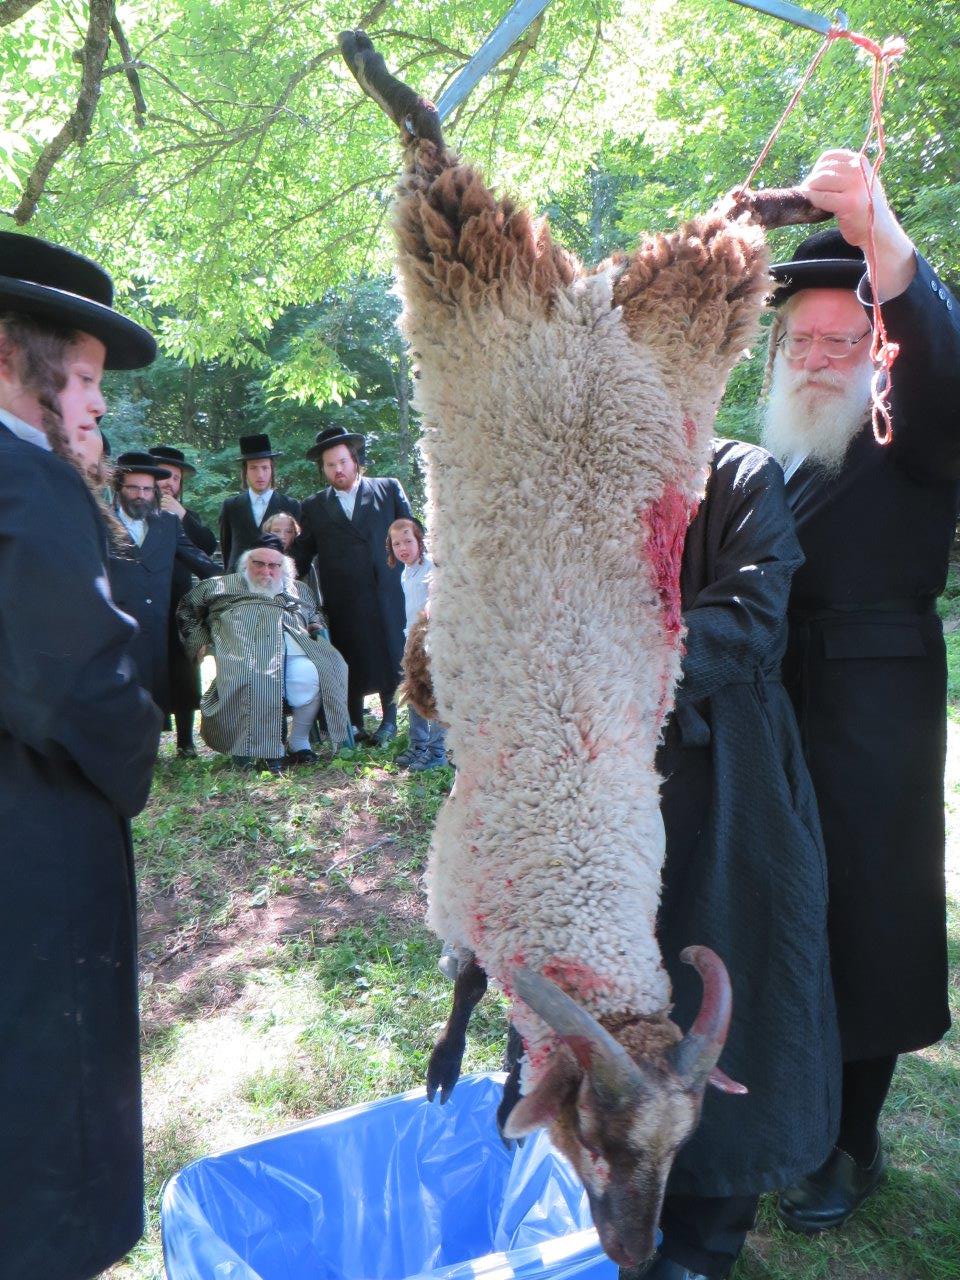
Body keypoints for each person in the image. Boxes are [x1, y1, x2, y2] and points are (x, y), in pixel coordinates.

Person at [758, 149, 958, 1234]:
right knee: (787, 905)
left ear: (881, 345)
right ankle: (791, 1104)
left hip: (875, 714)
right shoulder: (781, 445)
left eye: (846, 337)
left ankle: (853, 1139)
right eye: (805, 339)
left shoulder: (914, 426)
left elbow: (945, 358)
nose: (821, 355)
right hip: (776, 707)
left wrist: (882, 233)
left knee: (870, 918)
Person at [627, 439, 840, 1280]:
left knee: (729, 987)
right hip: (603, 770)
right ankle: (610, 1203)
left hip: (728, 779)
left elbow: (751, 614)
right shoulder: (579, 472)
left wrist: (615, 665)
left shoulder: (743, 472)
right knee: (606, 989)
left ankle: (704, 1237)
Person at [0, 230, 162, 1280]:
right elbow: (77, 691)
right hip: (31, 873)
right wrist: (141, 737)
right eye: (89, 377)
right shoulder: (25, 488)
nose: (101, 405)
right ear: (14, 361)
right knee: (44, 1132)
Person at [177, 534, 353, 771]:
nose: (266, 570)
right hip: (242, 650)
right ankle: (266, 750)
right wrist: (200, 641)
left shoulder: (298, 589)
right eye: (258, 563)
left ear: (283, 568)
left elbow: (316, 613)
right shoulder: (221, 585)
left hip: (292, 647)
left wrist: (316, 623)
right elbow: (187, 610)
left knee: (314, 673)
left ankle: (299, 741)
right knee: (256, 676)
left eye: (273, 565)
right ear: (245, 565)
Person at [293, 424, 414, 744]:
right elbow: (302, 556)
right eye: (330, 465)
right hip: (343, 599)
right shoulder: (314, 506)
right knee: (351, 659)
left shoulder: (388, 489)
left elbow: (412, 535)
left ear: (355, 460)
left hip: (386, 592)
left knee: (391, 655)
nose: (338, 470)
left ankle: (389, 721)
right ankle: (356, 723)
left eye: (343, 462)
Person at [108, 452, 219, 714]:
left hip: (156, 627)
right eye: (133, 487)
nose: (141, 495)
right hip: (116, 629)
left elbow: (200, 560)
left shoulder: (168, 523)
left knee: (153, 698)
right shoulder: (100, 521)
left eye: (147, 489)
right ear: (119, 487)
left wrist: (244, 579)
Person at [148, 444, 220, 756]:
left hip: (180, 602)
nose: (169, 483)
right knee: (150, 669)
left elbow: (204, 546)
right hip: (146, 603)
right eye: (164, 476)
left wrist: (183, 515)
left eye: (175, 478)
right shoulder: (138, 512)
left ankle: (185, 742)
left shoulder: (184, 516)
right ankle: (148, 739)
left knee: (184, 668)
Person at [387, 517, 448, 770]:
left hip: (431, 641)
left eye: (408, 541)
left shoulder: (430, 566)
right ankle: (418, 745)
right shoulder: (405, 572)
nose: (403, 548)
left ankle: (437, 752)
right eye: (396, 543)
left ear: (419, 540)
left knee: (433, 694)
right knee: (414, 692)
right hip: (411, 640)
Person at [218, 432, 301, 571]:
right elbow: (226, 548)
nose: (260, 475)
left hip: (276, 582)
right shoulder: (231, 506)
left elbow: (297, 551)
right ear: (245, 472)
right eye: (253, 468)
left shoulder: (291, 506)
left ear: (272, 470)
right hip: (238, 582)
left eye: (265, 468)